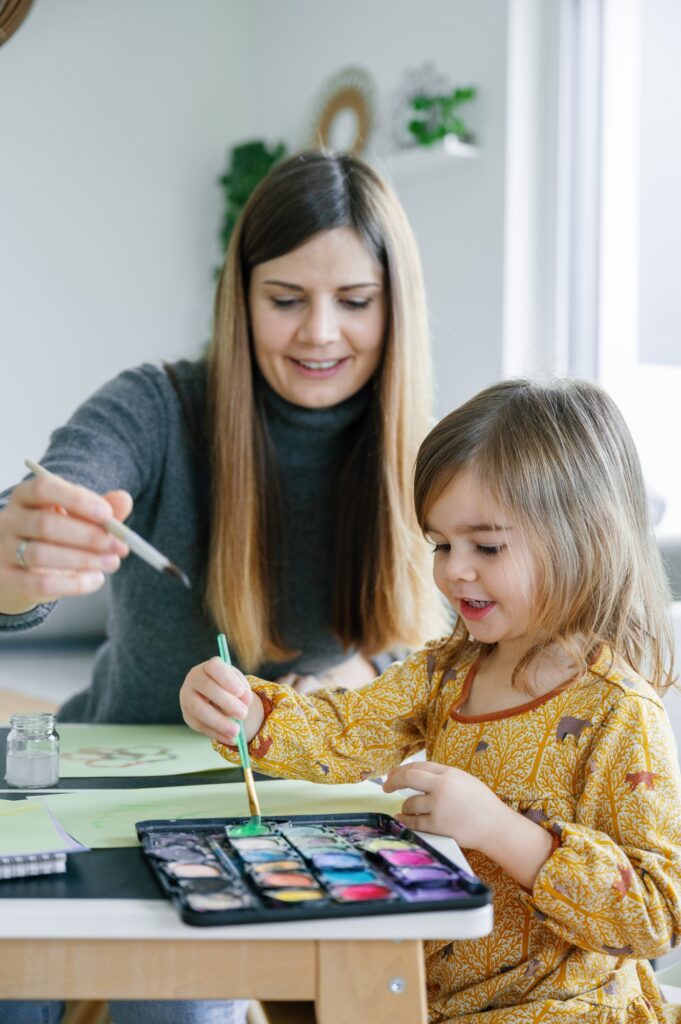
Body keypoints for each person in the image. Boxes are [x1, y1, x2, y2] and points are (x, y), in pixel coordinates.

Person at [0, 151, 445, 1023]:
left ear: (397, 306)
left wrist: (344, 695)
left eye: (354, 301)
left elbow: (424, 667)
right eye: (285, 300)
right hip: (102, 788)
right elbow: (58, 498)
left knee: (178, 1007)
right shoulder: (156, 406)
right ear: (239, 299)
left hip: (287, 816)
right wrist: (18, 556)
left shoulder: (428, 450)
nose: (319, 333)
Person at [190, 377, 681, 1023]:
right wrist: (245, 711)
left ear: (582, 539)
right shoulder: (447, 670)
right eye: (440, 544)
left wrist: (503, 832)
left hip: (561, 1009)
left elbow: (655, 915)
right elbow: (343, 734)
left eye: (486, 546)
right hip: (429, 996)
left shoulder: (619, 711)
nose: (454, 570)